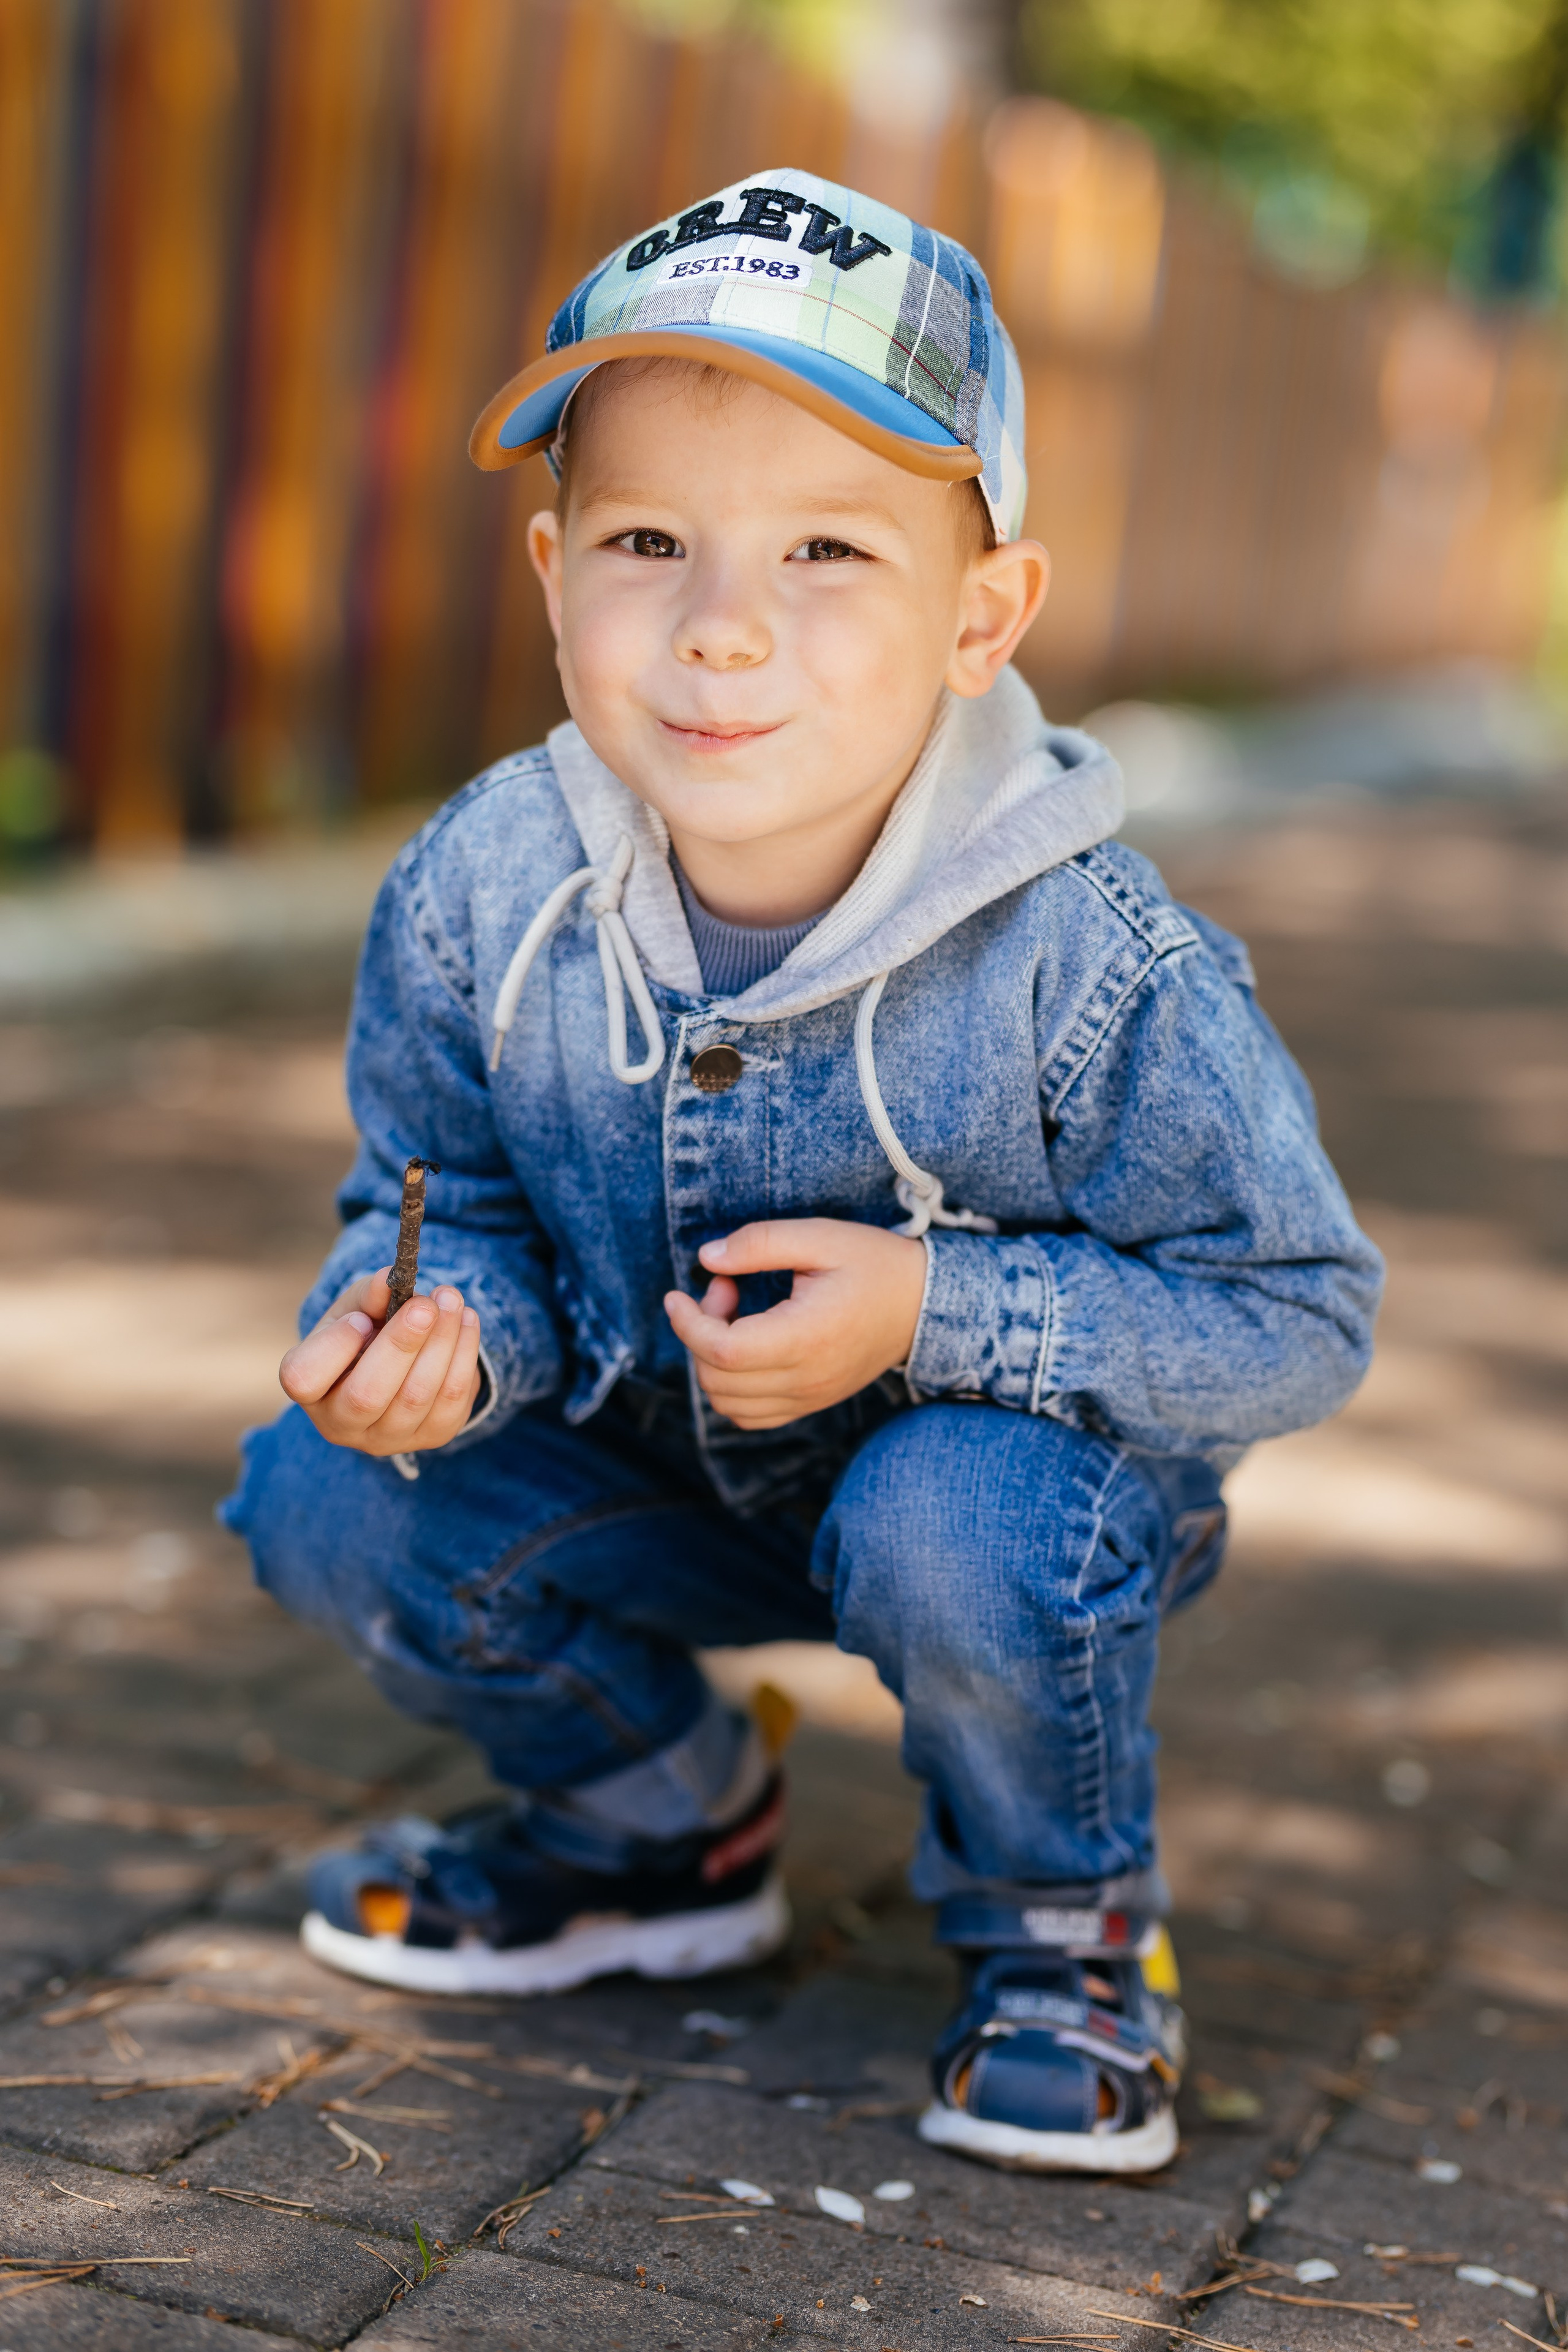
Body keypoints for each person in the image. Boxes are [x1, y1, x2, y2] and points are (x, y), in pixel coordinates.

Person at [222, 169, 1382, 2176]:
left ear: (981, 616)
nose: (724, 623)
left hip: (996, 1511)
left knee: (956, 1524)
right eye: (647, 538)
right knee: (321, 1485)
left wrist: (941, 1309)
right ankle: (657, 1825)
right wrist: (430, 1342)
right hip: (652, 1464)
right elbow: (451, 1211)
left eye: (828, 549)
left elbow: (1300, 1314)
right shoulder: (487, 888)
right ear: (551, 567)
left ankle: (1062, 1936)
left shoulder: (1089, 963)